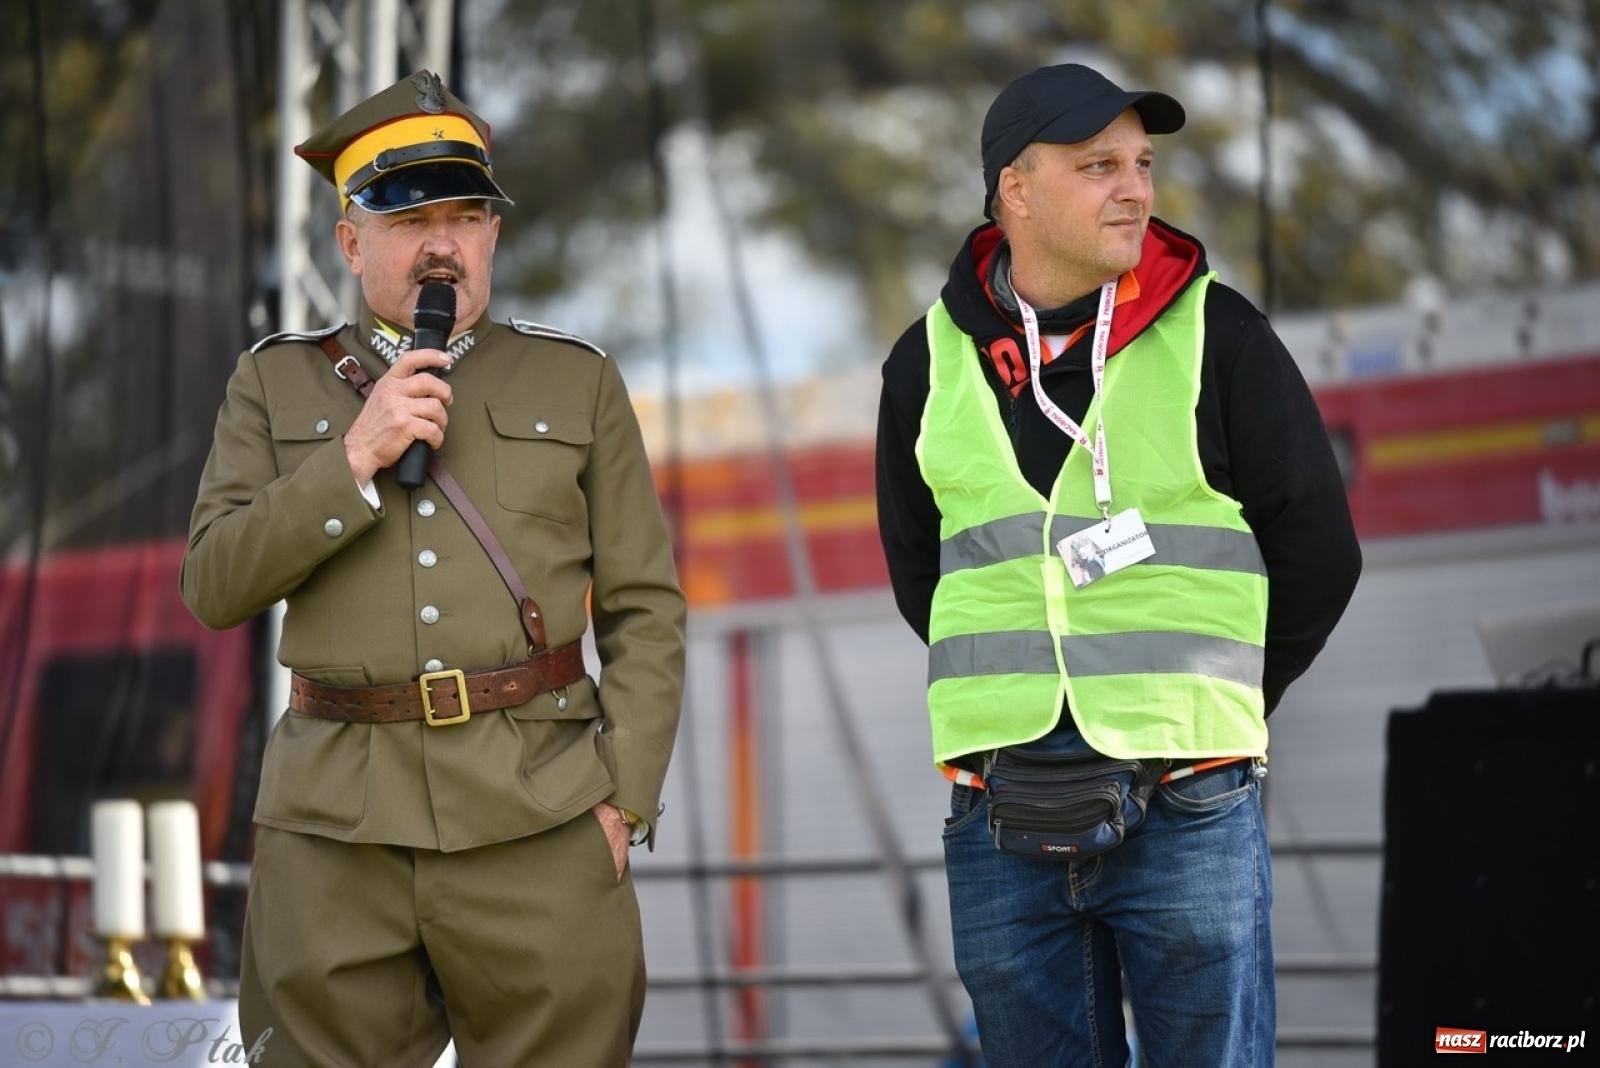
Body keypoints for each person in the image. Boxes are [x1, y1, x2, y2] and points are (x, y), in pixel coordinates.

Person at [182, 70, 685, 1066]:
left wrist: (622, 799)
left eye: (465, 217)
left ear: (493, 234)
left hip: (540, 814)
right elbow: (214, 587)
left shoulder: (575, 379)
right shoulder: (273, 380)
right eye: (410, 219)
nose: (443, 244)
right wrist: (352, 457)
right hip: (333, 833)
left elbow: (645, 610)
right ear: (350, 243)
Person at [875, 63, 1361, 1066]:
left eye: (1142, 164)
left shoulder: (1219, 335)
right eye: (1099, 166)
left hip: (1191, 799)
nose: (1135, 188)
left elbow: (1320, 551)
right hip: (1001, 807)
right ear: (1015, 190)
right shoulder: (923, 363)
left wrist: (1213, 698)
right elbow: (926, 577)